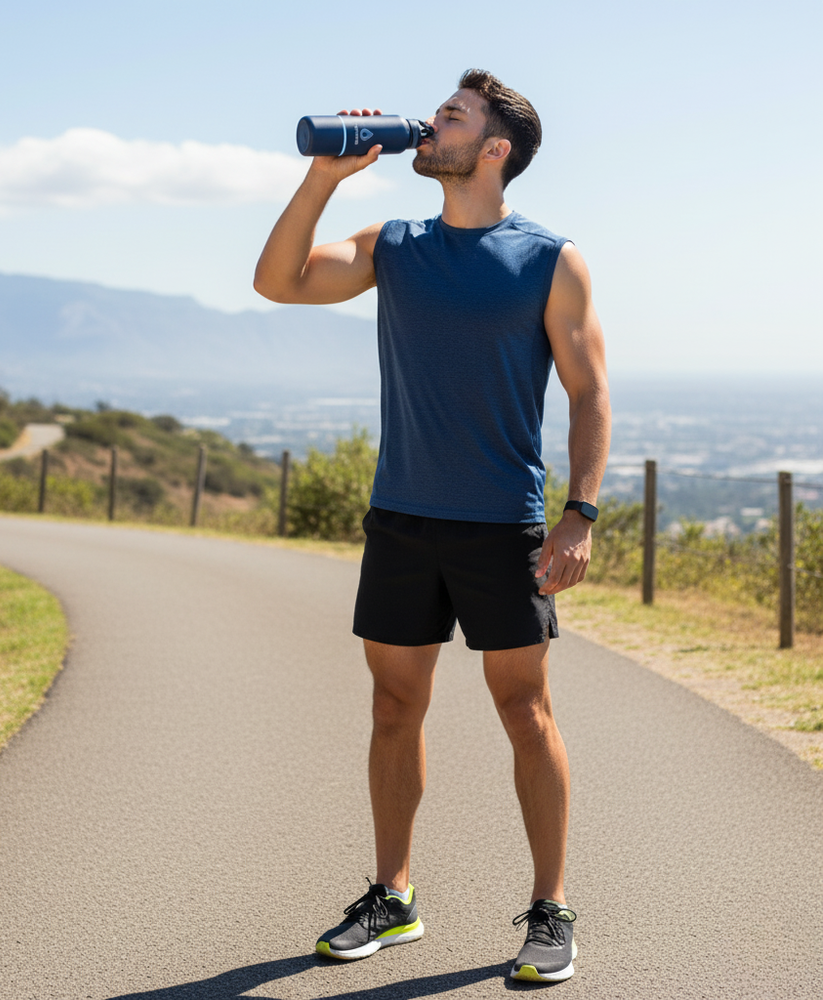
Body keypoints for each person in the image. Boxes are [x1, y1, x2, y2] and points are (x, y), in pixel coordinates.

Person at [253, 68, 611, 984]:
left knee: (524, 711)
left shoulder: (549, 257)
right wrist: (326, 178)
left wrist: (578, 514)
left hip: (501, 525)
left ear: (495, 150)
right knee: (391, 707)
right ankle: (394, 895)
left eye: (452, 117)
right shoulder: (396, 242)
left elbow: (588, 392)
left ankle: (550, 908)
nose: (431, 123)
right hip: (403, 518)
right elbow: (279, 282)